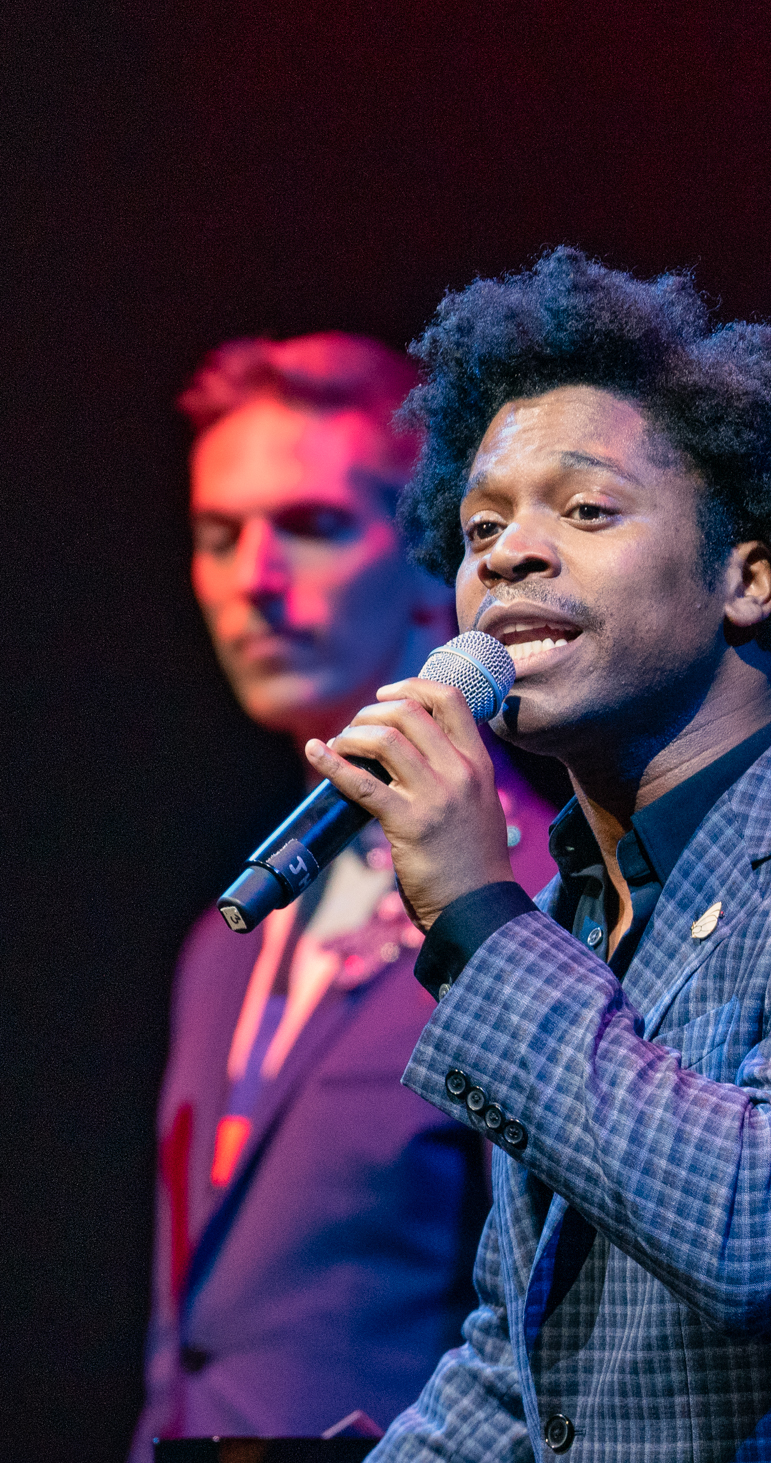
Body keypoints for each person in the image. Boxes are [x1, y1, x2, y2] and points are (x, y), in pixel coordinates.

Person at [304, 250, 771, 1462]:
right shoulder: (567, 913)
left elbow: (760, 1224)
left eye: (587, 510)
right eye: (481, 526)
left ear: (748, 577)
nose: (507, 555)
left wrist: (479, 918)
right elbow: (522, 1378)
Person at [129, 333, 561, 1459]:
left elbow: (549, 1332)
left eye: (309, 526)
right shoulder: (227, 933)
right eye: (218, 535)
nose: (253, 577)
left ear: (431, 561)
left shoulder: (532, 898)